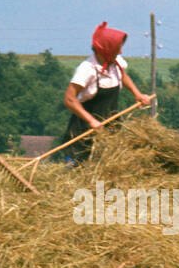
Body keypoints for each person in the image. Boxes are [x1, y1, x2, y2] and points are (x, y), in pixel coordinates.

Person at [62, 22, 155, 163]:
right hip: (85, 131)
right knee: (78, 168)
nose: (121, 52)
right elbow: (69, 99)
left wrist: (137, 94)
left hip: (110, 127)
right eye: (118, 48)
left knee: (110, 165)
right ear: (105, 49)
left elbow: (122, 75)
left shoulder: (116, 62)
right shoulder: (87, 69)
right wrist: (91, 120)